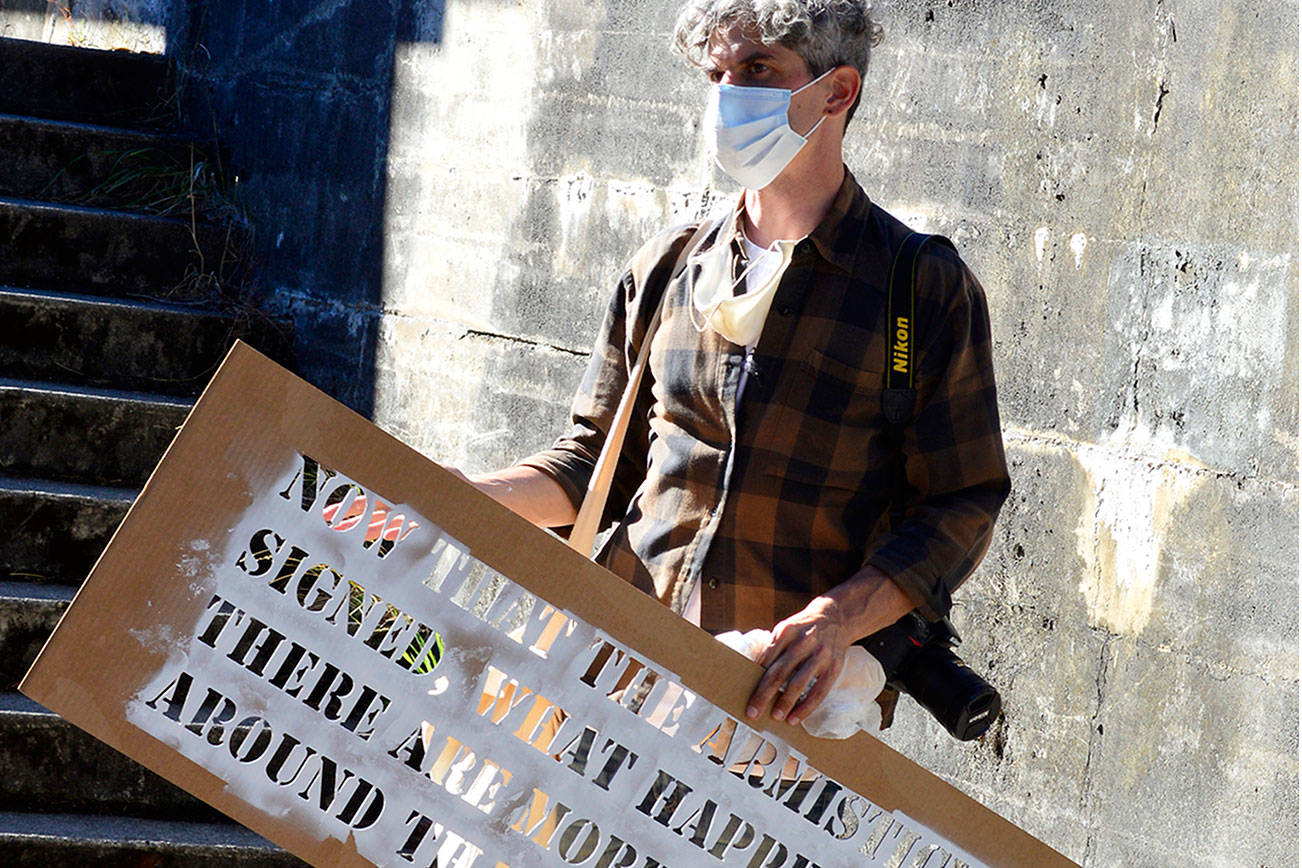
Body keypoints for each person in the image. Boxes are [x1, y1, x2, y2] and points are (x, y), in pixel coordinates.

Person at [457, 0, 1009, 732]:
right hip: (612, 685)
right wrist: (446, 495)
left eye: (756, 70)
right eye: (716, 73)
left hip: (778, 717)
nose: (727, 96)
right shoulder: (667, 268)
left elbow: (960, 501)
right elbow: (593, 463)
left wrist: (838, 620)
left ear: (836, 92)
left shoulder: (921, 289)